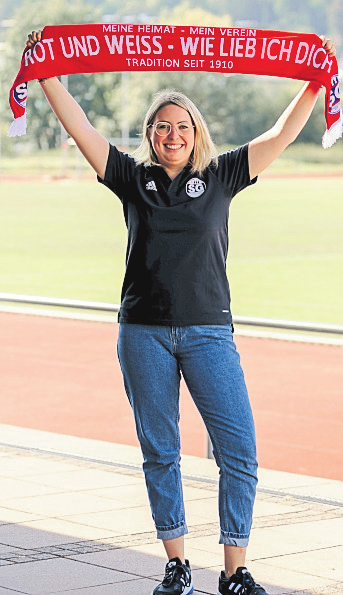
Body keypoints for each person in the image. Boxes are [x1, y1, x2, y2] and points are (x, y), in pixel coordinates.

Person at [26, 30, 335, 595]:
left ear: (198, 135)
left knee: (239, 449)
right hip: (142, 332)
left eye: (183, 126)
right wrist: (46, 72)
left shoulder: (222, 176)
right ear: (150, 134)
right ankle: (176, 564)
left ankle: (235, 570)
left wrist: (315, 83)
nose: (173, 134)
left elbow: (281, 132)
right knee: (160, 451)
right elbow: (83, 128)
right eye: (163, 126)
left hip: (208, 332)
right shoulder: (131, 179)